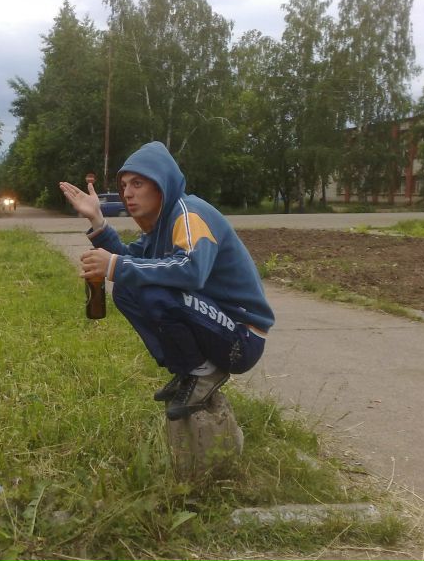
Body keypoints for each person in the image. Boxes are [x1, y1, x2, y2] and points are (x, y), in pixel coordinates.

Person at [60, 141, 274, 420]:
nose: (127, 193)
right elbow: (129, 259)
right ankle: (188, 370)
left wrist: (114, 265)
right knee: (126, 289)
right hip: (215, 323)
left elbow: (191, 271)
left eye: (137, 183)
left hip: (241, 336)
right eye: (124, 186)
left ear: (161, 184)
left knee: (153, 293)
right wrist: (98, 221)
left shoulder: (188, 214)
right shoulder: (159, 225)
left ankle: (204, 373)